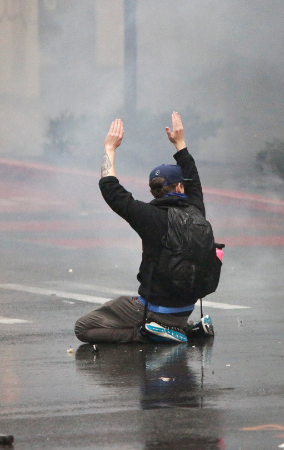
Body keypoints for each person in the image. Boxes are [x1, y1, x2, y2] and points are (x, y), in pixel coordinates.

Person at [74, 112, 215, 344]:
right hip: (186, 308)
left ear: (153, 191)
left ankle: (146, 333)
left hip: (155, 311)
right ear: (180, 187)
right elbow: (195, 180)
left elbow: (111, 189)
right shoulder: (196, 209)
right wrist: (179, 143)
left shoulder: (149, 217)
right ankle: (188, 330)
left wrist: (109, 148)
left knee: (84, 327)